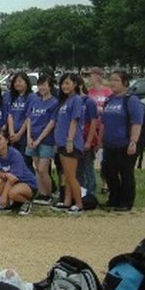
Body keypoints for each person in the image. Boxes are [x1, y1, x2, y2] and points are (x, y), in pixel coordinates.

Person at [100, 70, 144, 211]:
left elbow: (137, 122)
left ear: (125, 83)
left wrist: (133, 142)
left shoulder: (131, 100)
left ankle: (126, 202)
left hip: (125, 143)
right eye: (111, 80)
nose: (112, 83)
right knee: (109, 172)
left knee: (125, 173)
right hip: (109, 143)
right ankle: (114, 199)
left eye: (116, 80)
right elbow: (104, 122)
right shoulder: (110, 99)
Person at [52, 73, 85, 215]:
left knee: (71, 176)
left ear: (75, 84)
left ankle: (79, 204)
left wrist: (70, 140)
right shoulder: (65, 101)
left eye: (68, 83)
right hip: (61, 142)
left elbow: (74, 121)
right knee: (66, 174)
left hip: (70, 143)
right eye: (63, 83)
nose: (65, 86)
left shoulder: (76, 100)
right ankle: (67, 202)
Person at [25, 74, 58, 205]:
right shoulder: (34, 101)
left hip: (46, 140)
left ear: (50, 86)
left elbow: (51, 123)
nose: (41, 87)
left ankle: (48, 194)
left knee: (44, 169)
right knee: (37, 168)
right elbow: (29, 119)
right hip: (32, 139)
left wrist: (39, 139)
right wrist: (28, 137)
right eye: (40, 85)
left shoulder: (54, 103)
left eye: (44, 85)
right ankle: (41, 192)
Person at [0, 130, 38, 216]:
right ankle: (8, 205)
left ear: (7, 141)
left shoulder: (15, 154)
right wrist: (5, 174)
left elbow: (14, 178)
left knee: (11, 193)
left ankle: (27, 203)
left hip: (27, 183)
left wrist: (4, 195)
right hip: (11, 181)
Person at [88, 67, 113, 190]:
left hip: (104, 127)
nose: (89, 78)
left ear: (98, 76)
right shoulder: (89, 92)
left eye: (91, 75)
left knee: (104, 158)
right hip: (93, 128)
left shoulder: (107, 92)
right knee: (91, 156)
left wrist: (100, 110)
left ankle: (106, 183)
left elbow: (110, 108)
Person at [77, 77, 99, 196]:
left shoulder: (89, 102)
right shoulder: (73, 101)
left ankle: (91, 191)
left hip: (86, 139)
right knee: (78, 168)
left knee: (87, 166)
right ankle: (81, 191)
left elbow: (93, 122)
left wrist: (89, 141)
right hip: (77, 140)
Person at [7, 71, 35, 158]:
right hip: (13, 136)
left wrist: (19, 134)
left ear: (26, 82)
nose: (17, 84)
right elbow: (10, 115)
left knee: (26, 162)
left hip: (25, 136)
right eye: (15, 82)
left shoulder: (31, 97)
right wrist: (11, 132)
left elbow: (29, 117)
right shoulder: (13, 97)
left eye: (20, 81)